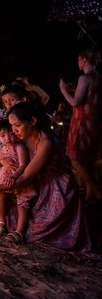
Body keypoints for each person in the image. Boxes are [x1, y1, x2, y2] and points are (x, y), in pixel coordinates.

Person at [0, 102, 91, 251]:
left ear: (32, 121)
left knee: (30, 219)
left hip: (53, 186)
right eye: (12, 126)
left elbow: (25, 178)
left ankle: (19, 231)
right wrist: (4, 162)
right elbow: (9, 155)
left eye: (17, 125)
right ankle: (2, 223)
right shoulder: (23, 136)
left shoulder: (46, 142)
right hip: (30, 181)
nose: (13, 131)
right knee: (0, 195)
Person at [59, 48, 102, 202]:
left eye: (79, 59)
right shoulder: (98, 77)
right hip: (94, 122)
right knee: (88, 161)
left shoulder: (84, 78)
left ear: (84, 59)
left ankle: (98, 191)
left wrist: (63, 90)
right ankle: (91, 198)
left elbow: (76, 102)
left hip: (83, 123)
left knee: (75, 159)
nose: (78, 62)